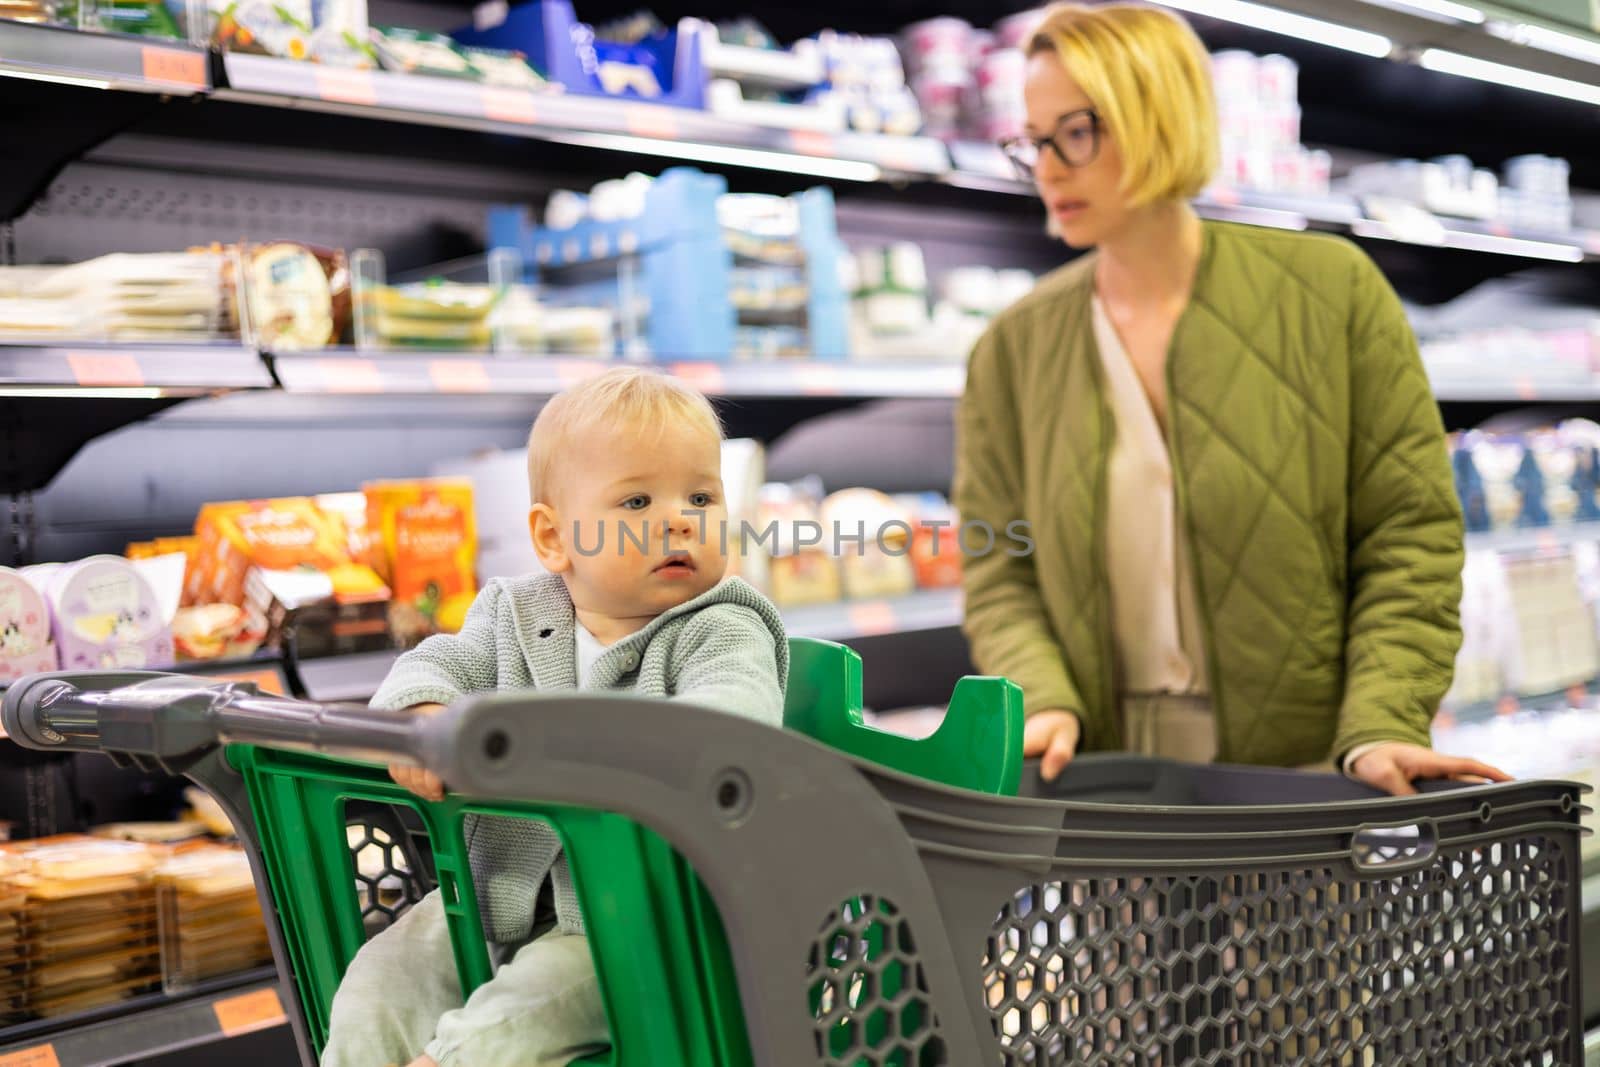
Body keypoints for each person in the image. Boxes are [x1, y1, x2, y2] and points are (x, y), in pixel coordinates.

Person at [953, 2, 1508, 796]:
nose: (1048, 166)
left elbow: (1407, 532)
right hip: (1108, 786)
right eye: (1034, 141)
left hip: (1310, 781)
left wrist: (1383, 720)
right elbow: (996, 559)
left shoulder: (1331, 292)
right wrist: (1039, 696)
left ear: (1158, 114)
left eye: (1076, 131)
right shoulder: (1012, 348)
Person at [321, 367, 789, 1067]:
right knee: (378, 982)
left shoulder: (721, 625)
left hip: (638, 919)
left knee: (511, 1023)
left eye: (701, 495)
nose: (679, 518)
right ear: (552, 537)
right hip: (485, 898)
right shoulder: (512, 610)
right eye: (636, 499)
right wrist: (423, 720)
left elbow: (732, 724)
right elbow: (434, 664)